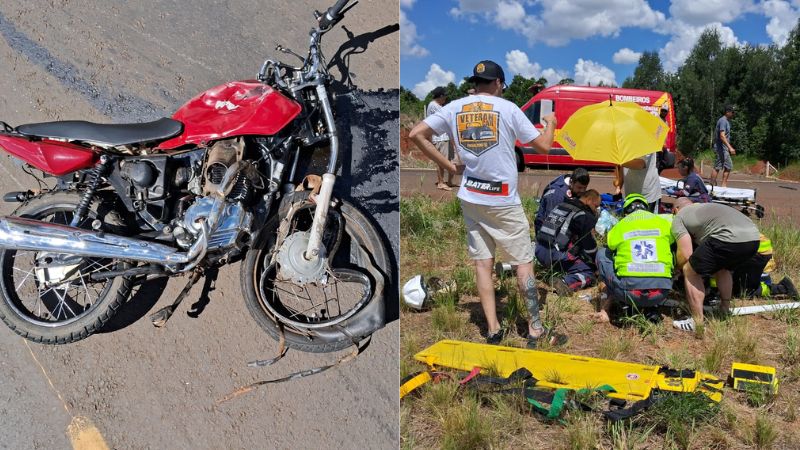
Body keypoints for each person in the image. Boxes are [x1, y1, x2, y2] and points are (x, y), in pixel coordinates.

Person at [408, 60, 566, 348]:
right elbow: (543, 146)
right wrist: (552, 124)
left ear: (476, 82)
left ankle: (493, 329)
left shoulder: (454, 107)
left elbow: (416, 134)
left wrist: (448, 165)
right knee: (523, 264)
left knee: (483, 264)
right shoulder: (507, 109)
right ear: (499, 84)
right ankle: (535, 329)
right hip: (503, 199)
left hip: (471, 196)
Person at [670, 198, 761, 332]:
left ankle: (697, 323)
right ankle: (724, 309)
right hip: (753, 240)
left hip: (727, 239)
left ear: (675, 210)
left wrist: (676, 269)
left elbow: (686, 254)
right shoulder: (707, 206)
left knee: (690, 270)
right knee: (723, 269)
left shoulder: (679, 217)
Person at [593, 194, 675, 324]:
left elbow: (611, 245)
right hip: (660, 293)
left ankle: (613, 298)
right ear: (646, 209)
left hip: (629, 293)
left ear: (626, 212)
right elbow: (672, 242)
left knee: (602, 253)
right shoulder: (662, 222)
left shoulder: (620, 225)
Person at [534, 189, 601, 296]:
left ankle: (512, 267)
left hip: (538, 250)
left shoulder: (562, 205)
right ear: (589, 200)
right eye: (596, 206)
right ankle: (566, 282)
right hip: (555, 255)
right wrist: (597, 264)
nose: (596, 210)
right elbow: (590, 247)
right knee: (590, 273)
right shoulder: (583, 215)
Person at [533, 167, 590, 234]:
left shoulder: (570, 181)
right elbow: (551, 223)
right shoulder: (557, 195)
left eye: (585, 187)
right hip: (546, 231)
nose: (582, 191)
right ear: (571, 182)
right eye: (579, 187)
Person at [426, 86, 454, 191]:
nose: (446, 98)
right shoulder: (434, 105)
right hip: (440, 138)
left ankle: (450, 182)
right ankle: (441, 182)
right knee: (441, 161)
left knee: (450, 160)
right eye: (445, 96)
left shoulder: (437, 105)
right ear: (441, 96)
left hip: (445, 137)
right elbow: (447, 117)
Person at [711, 105, 736, 187]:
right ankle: (715, 185)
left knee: (721, 166)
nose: (733, 114)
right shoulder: (723, 121)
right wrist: (730, 147)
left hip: (722, 148)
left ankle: (717, 185)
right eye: (732, 112)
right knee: (724, 166)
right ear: (727, 112)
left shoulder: (726, 121)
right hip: (721, 148)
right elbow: (722, 136)